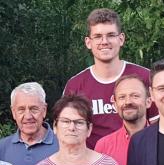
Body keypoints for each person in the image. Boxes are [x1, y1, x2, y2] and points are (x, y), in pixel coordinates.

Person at [64, 8, 157, 149]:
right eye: (98, 36)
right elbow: (67, 134)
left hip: (139, 157)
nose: (104, 41)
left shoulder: (145, 78)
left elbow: (160, 128)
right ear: (88, 42)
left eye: (111, 35)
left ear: (121, 39)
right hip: (93, 161)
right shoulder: (75, 85)